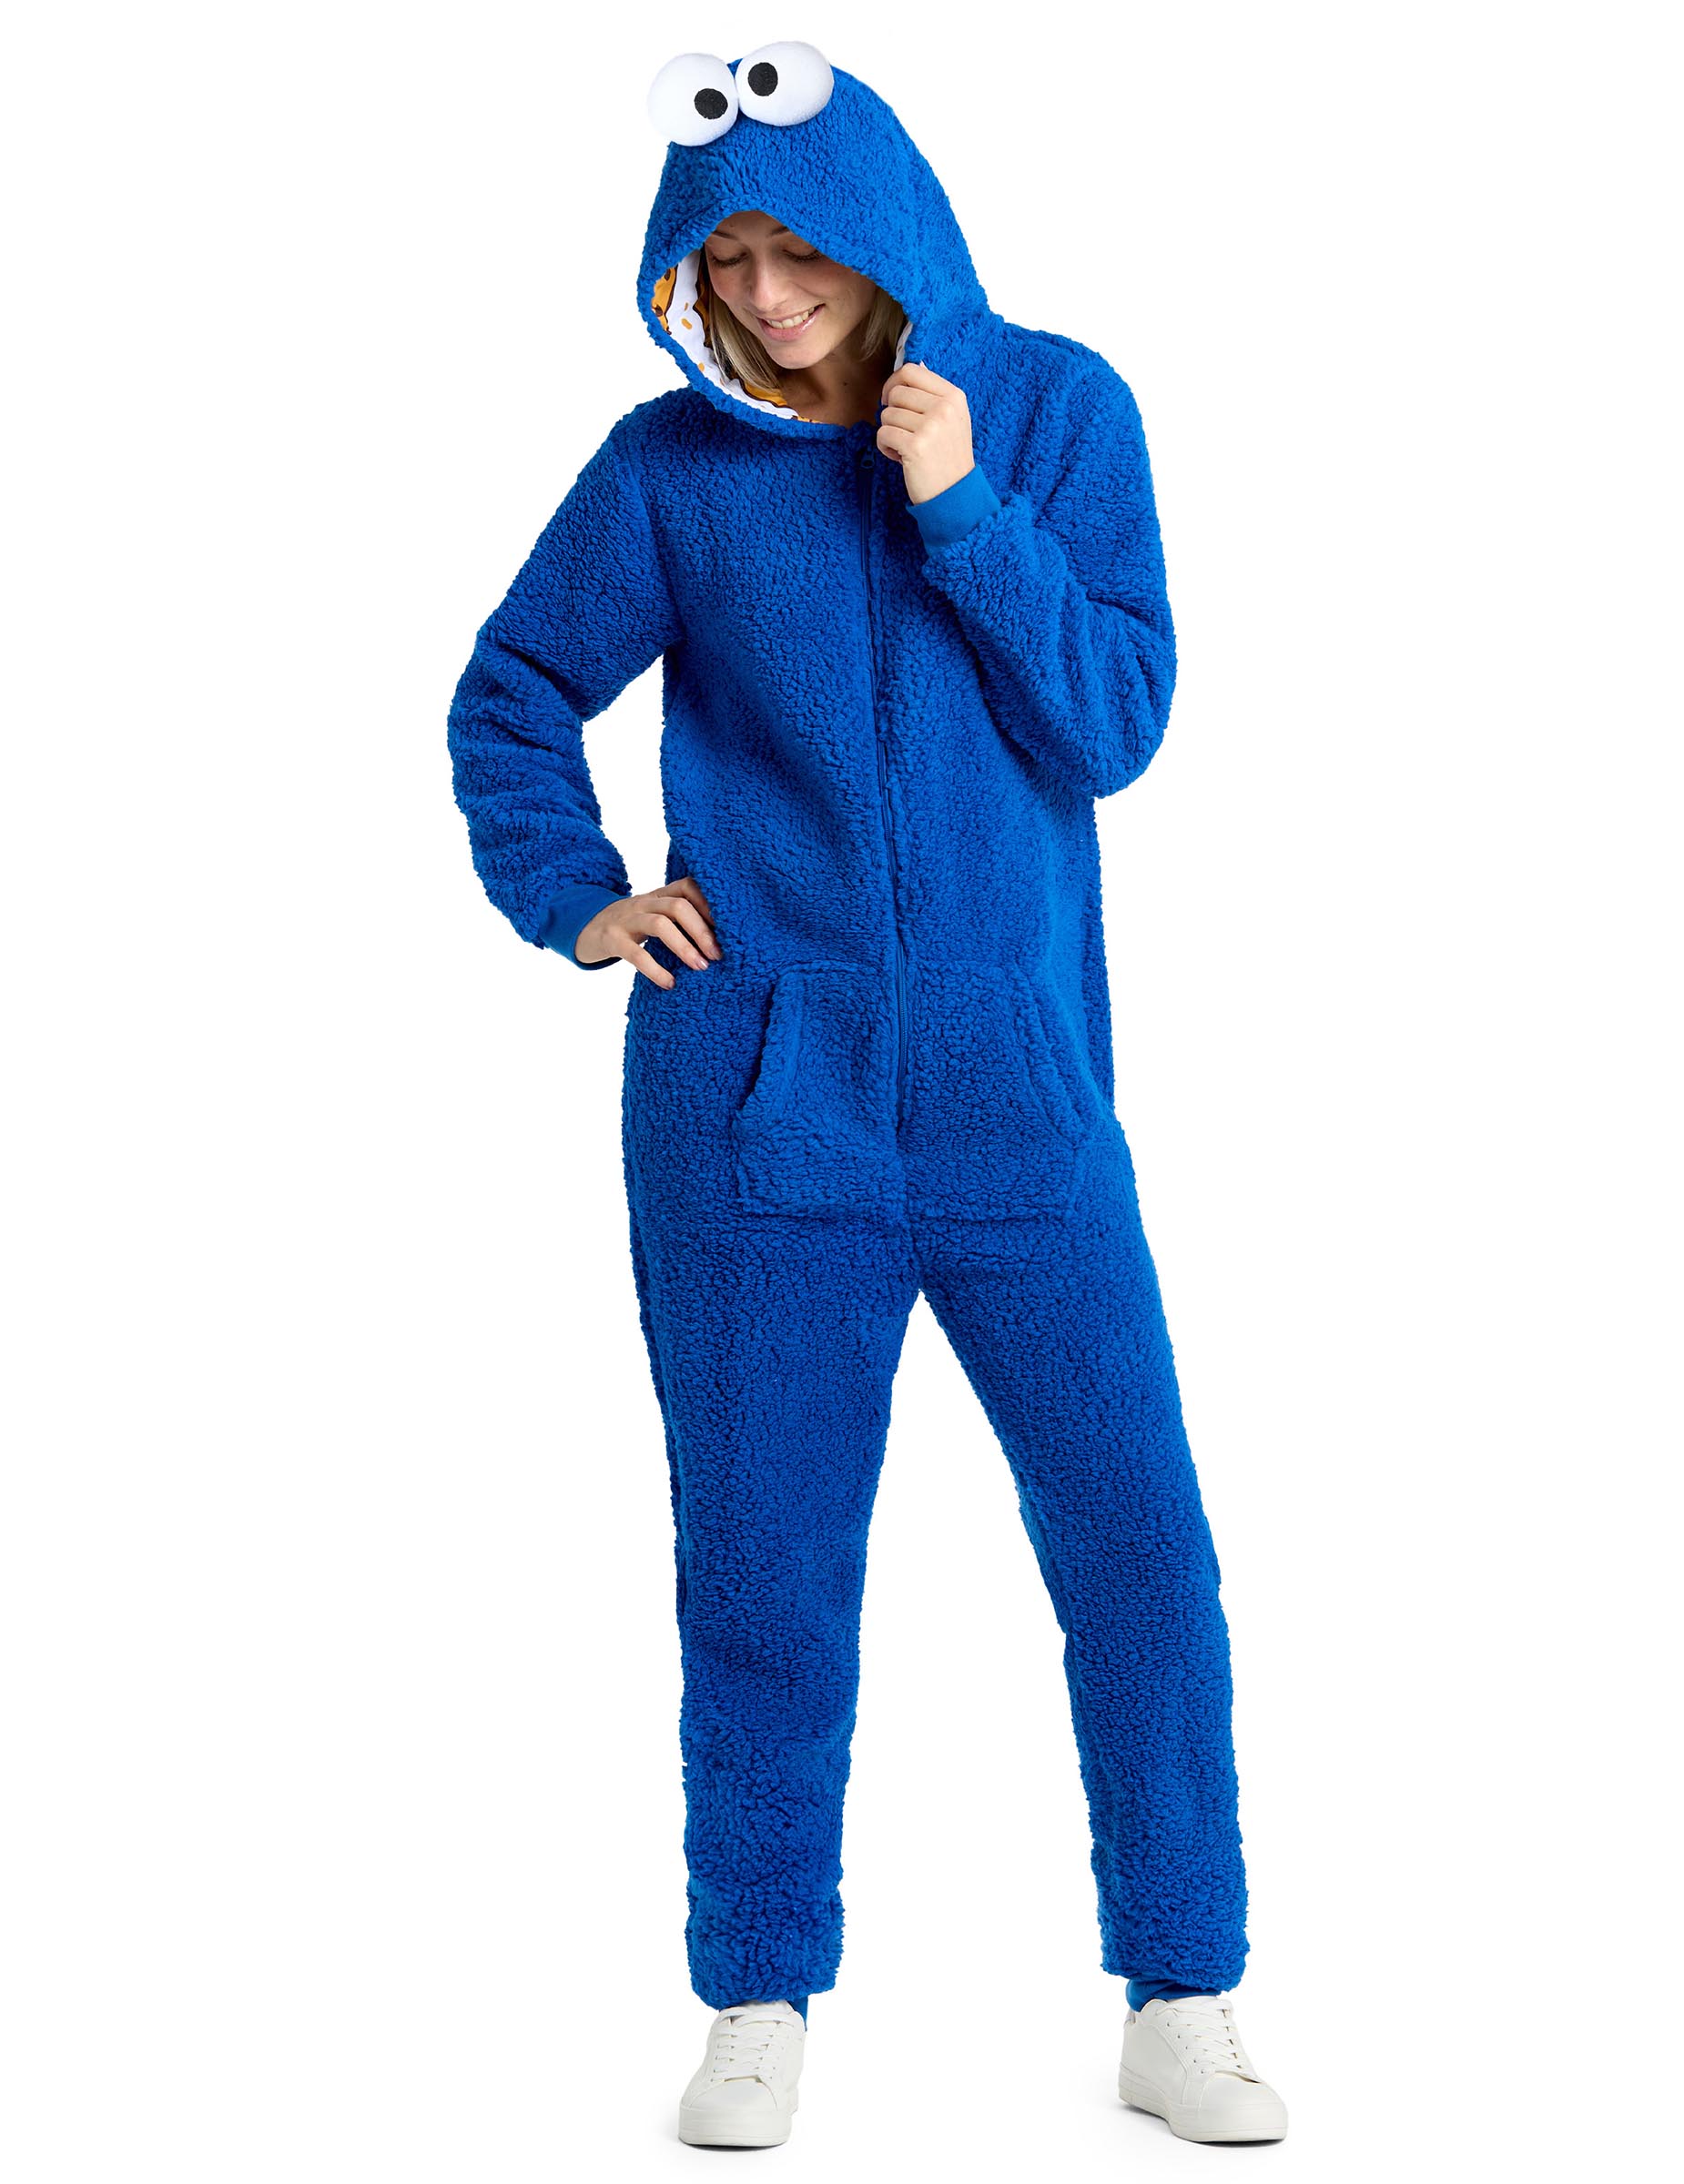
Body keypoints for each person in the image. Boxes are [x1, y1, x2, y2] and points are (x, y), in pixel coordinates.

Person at [446, 44, 1288, 2149]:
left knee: (1137, 1553)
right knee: (762, 1576)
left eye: (795, 245)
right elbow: (512, 692)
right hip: (754, 1106)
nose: (761, 291)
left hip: (1021, 1106)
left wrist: (963, 505)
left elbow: (1112, 724)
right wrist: (577, 896)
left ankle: (1182, 1985)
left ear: (883, 225)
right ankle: (757, 1995)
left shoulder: (1058, 410)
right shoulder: (666, 470)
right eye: (721, 257)